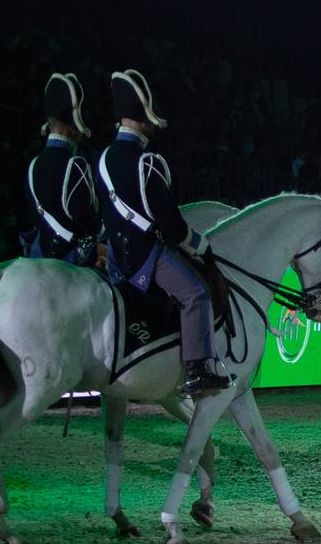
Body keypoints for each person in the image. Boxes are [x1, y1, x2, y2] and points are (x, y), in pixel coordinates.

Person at [95, 69, 228, 396]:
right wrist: (200, 244)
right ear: (143, 118)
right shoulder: (147, 162)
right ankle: (197, 369)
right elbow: (172, 224)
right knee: (196, 292)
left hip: (115, 257)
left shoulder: (102, 160)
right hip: (145, 255)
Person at [22, 72, 101, 267]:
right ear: (72, 126)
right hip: (69, 258)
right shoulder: (75, 165)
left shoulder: (34, 163)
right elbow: (86, 220)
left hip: (40, 252)